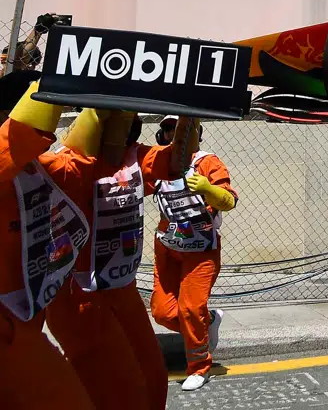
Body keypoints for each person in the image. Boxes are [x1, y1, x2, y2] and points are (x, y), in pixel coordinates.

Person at [41, 109, 166, 410]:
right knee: (119, 390)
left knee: (153, 379)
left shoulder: (133, 158)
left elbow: (173, 164)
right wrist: (97, 106)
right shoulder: (61, 165)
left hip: (122, 287)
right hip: (77, 295)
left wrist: (191, 116)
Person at [0, 75, 96, 410]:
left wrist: (106, 108)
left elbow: (81, 157)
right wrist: (54, 79)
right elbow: (21, 137)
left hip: (25, 321)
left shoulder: (38, 170)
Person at [149, 115, 237, 392]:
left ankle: (199, 366)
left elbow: (229, 200)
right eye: (168, 129)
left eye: (181, 129)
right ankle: (207, 321)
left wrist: (207, 189)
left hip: (200, 248)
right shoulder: (159, 160)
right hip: (168, 246)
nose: (175, 134)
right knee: (162, 312)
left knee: (190, 308)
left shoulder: (208, 162)